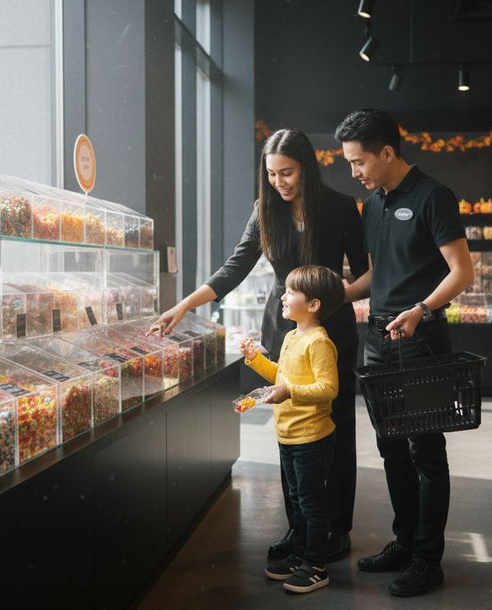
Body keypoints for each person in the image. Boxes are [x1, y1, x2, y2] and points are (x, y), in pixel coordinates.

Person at [151, 129, 367, 563]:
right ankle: (299, 527)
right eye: (271, 174)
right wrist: (184, 306)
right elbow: (234, 268)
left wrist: (334, 298)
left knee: (337, 429)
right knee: (291, 428)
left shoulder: (341, 207)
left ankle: (337, 528)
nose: (279, 182)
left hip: (332, 329)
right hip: (283, 327)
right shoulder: (264, 209)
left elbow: (366, 273)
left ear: (306, 166)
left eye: (286, 172)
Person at [336, 108, 474, 597]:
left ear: (387, 152)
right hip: (378, 338)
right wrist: (339, 294)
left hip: (421, 337)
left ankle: (427, 559)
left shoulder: (434, 197)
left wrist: (421, 307)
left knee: (425, 450)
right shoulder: (372, 206)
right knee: (390, 444)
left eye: (358, 162)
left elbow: (461, 272)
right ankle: (404, 540)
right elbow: (378, 276)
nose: (354, 172)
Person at [241, 265, 344, 594]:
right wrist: (256, 359)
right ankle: (300, 555)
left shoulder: (319, 343)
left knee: (312, 503)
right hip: (288, 434)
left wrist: (290, 392)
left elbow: (329, 388)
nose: (282, 296)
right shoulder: (290, 337)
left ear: (313, 305)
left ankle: (316, 565)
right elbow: (281, 378)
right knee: (298, 500)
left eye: (290, 292)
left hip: (312, 437)